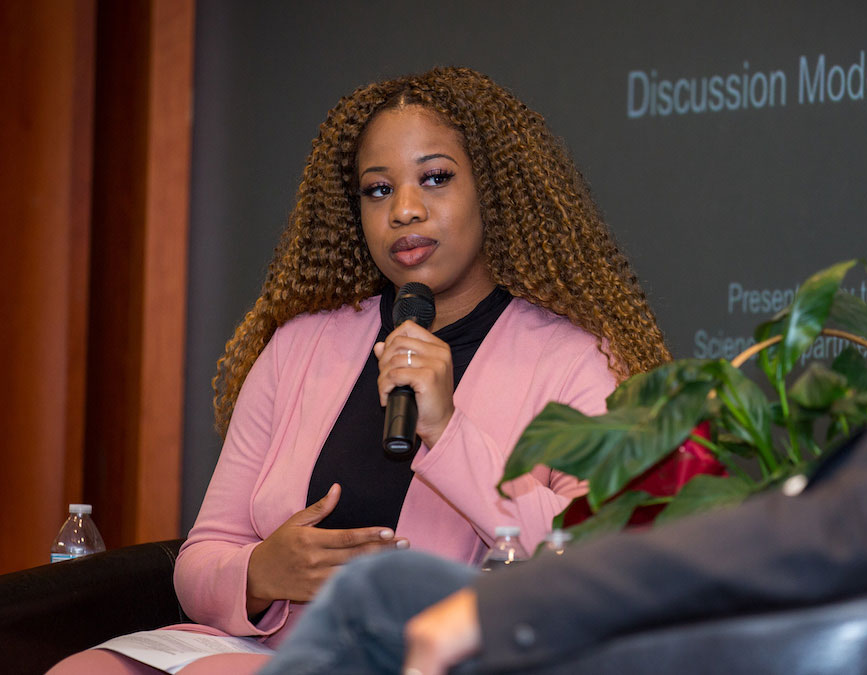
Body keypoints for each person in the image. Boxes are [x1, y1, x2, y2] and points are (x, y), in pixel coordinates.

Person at [260, 23, 867, 675]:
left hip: (755, 646)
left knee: (376, 600)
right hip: (775, 630)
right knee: (385, 594)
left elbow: (833, 540)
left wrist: (515, 601)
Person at [49, 67, 670, 674]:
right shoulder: (299, 345)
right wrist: (261, 573)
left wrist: (449, 431)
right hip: (260, 653)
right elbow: (200, 556)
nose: (404, 210)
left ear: (494, 191)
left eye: (435, 178)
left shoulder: (575, 360)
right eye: (379, 189)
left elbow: (597, 557)